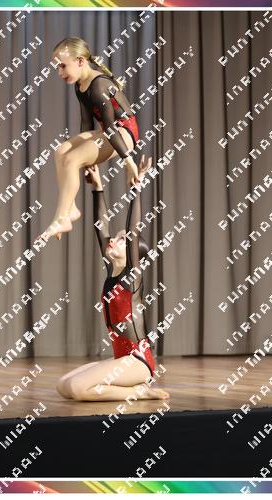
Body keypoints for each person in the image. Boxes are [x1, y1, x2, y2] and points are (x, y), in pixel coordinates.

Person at [55, 156, 169, 401]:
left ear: (131, 252)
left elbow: (133, 229)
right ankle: (134, 389)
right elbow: (101, 228)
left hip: (138, 361)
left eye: (121, 240)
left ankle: (139, 392)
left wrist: (137, 188)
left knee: (78, 389)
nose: (113, 240)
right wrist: (97, 187)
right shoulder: (112, 272)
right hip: (122, 359)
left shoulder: (132, 277)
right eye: (115, 238)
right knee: (63, 386)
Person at [37, 36, 142, 242]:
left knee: (71, 159)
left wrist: (129, 162)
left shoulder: (99, 85)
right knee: (60, 152)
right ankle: (71, 209)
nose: (59, 73)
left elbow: (111, 127)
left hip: (125, 132)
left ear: (80, 61)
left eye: (62, 66)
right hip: (108, 131)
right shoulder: (80, 86)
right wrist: (87, 162)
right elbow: (87, 122)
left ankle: (61, 218)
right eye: (57, 68)